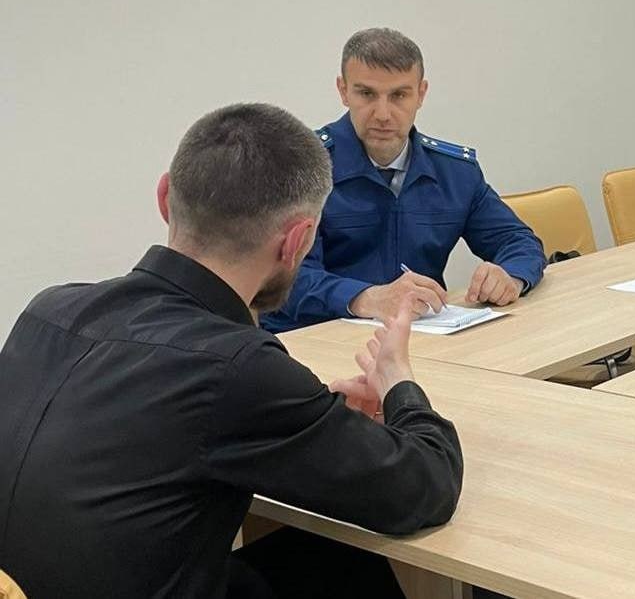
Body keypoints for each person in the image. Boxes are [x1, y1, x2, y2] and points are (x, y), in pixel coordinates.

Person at [0, 103, 464, 598]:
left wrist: (304, 415)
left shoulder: (49, 309)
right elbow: (424, 487)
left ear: (164, 198)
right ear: (297, 240)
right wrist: (397, 382)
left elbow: (148, 429)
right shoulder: (238, 368)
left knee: (329, 559)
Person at [261, 28, 545, 332]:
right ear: (343, 91)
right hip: (312, 340)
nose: (383, 114)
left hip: (420, 340)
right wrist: (367, 298)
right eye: (366, 94)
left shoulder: (454, 173)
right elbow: (281, 278)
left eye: (399, 95)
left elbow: (519, 241)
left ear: (421, 94)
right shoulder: (299, 168)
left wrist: (510, 276)